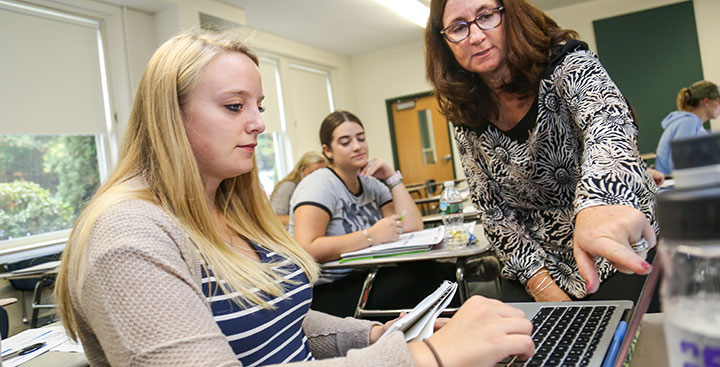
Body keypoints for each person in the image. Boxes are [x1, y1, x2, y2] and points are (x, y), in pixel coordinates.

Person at [54, 29, 534, 367]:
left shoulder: (231, 209)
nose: (259, 123)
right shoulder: (129, 235)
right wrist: (423, 355)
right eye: (234, 106)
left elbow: (281, 323)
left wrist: (376, 334)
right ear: (168, 117)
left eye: (258, 107)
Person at [425, 0, 658, 303]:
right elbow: (493, 211)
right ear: (445, 44)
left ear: (510, 15)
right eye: (458, 27)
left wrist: (598, 204)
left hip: (613, 239)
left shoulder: (569, 64)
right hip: (537, 262)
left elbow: (607, 123)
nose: (476, 36)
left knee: (629, 335)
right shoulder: (467, 115)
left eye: (486, 16)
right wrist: (542, 285)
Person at [290, 111, 456, 317]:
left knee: (436, 270)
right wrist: (371, 236)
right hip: (329, 291)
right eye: (345, 142)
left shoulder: (370, 182)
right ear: (328, 151)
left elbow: (412, 226)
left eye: (361, 138)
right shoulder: (319, 184)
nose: (358, 146)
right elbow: (306, 248)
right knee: (423, 278)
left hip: (368, 275)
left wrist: (391, 177)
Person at [654, 80, 720, 175]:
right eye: (719, 101)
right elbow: (681, 163)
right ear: (706, 101)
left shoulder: (690, 122)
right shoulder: (689, 122)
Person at [270, 151, 327, 226]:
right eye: (311, 173)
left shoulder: (318, 190)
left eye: (320, 174)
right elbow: (274, 218)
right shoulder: (288, 186)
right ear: (301, 170)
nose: (316, 178)